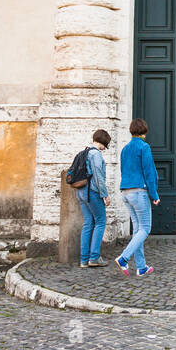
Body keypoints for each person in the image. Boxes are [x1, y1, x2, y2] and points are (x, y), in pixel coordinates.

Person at [116, 118, 160, 277]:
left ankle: (141, 267)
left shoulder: (125, 149)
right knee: (145, 228)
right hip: (139, 192)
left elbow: (123, 170)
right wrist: (154, 194)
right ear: (144, 131)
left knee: (138, 230)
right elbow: (149, 172)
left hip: (125, 191)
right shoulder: (144, 147)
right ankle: (124, 258)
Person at [68, 129, 111, 267]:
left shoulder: (83, 152)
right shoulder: (95, 154)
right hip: (92, 192)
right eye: (105, 145)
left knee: (88, 223)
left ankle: (83, 260)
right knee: (100, 221)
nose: (104, 148)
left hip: (80, 192)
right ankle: (94, 258)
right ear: (103, 142)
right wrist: (105, 195)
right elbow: (98, 177)